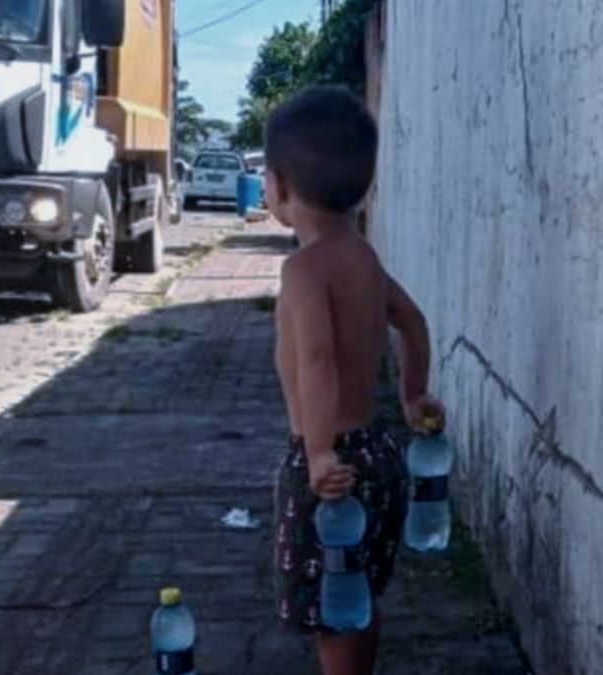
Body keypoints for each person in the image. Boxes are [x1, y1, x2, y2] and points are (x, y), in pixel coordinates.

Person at [267, 85, 446, 675]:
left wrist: (318, 453)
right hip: (378, 453)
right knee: (357, 594)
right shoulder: (363, 257)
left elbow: (316, 359)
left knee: (332, 608)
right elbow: (412, 322)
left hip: (333, 466)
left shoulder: (303, 270)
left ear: (279, 187)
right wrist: (413, 393)